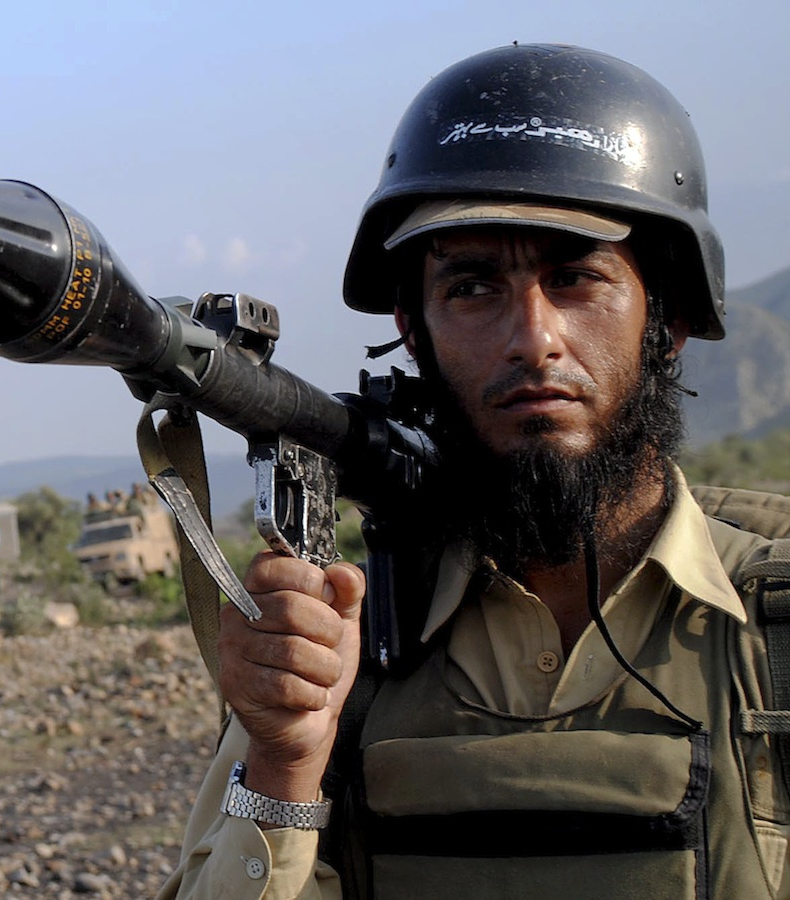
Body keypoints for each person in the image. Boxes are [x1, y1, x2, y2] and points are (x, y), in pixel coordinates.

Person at [160, 44, 783, 899]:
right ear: (413, 331)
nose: (533, 339)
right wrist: (284, 760)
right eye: (473, 287)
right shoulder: (349, 646)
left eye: (575, 278)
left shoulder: (772, 629)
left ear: (667, 321)